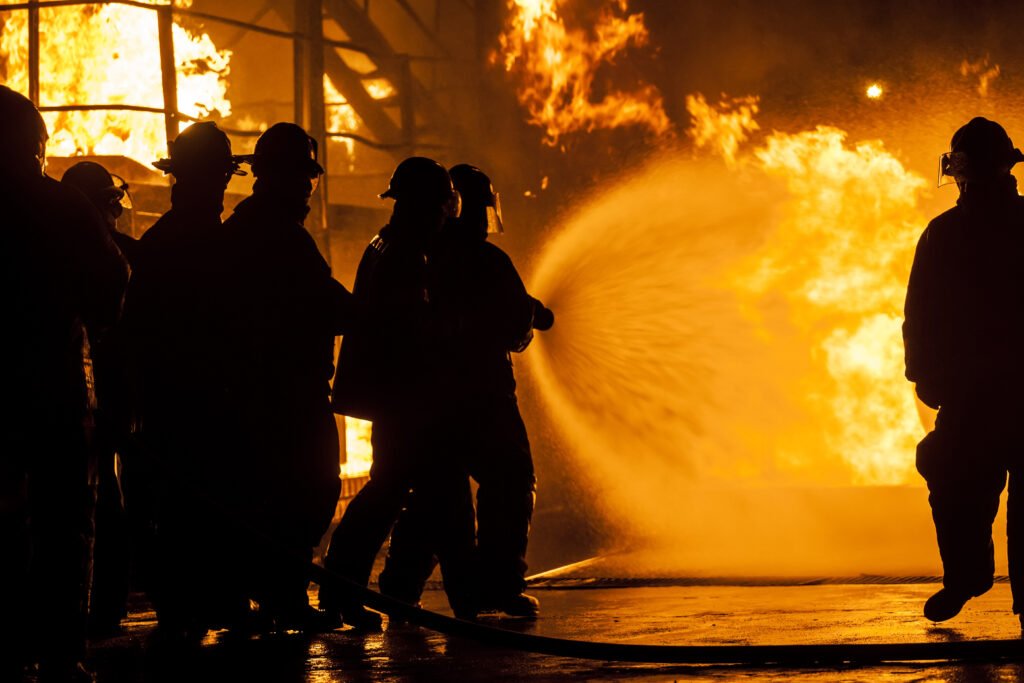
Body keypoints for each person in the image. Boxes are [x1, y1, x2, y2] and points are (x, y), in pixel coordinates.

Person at [378, 164, 553, 617]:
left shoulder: (421, 252)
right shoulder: (489, 260)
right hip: (484, 398)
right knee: (511, 480)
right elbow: (515, 331)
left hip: (428, 401)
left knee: (437, 494)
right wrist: (530, 315)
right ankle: (499, 584)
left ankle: (400, 585)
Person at [0, 86, 128, 682]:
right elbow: (111, 281)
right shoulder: (62, 206)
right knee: (65, 522)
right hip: (56, 386)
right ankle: (59, 653)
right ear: (36, 141)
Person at [318, 157, 476, 628]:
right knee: (424, 493)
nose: (446, 217)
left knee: (396, 491)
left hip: (398, 397)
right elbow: (414, 330)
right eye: (442, 207)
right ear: (428, 206)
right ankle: (462, 602)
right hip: (409, 399)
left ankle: (360, 591)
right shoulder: (405, 255)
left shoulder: (385, 245)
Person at [222, 122, 355, 630]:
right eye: (298, 173)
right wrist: (371, 316)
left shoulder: (255, 225)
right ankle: (283, 594)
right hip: (285, 391)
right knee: (311, 487)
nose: (306, 184)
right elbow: (323, 302)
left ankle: (265, 591)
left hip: (263, 388)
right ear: (270, 174)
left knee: (274, 492)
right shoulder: (276, 233)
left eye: (309, 174)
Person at [121, 121, 247, 641]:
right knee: (186, 507)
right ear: (188, 181)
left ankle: (204, 602)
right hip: (185, 402)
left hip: (197, 401)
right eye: (214, 177)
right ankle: (185, 608)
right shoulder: (182, 245)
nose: (220, 187)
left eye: (222, 177)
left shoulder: (176, 242)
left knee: (205, 505)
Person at [904, 117, 1024, 624]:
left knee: (955, 481)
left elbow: (920, 312)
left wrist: (925, 375)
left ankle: (969, 578)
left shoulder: (945, 233)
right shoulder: (944, 233)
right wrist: (926, 374)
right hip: (973, 392)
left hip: (981, 393)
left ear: (965, 172)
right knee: (953, 477)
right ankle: (967, 578)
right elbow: (922, 312)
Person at [61, 161, 137, 637]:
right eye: (110, 205)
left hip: (73, 397)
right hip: (100, 399)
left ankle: (94, 606)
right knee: (103, 503)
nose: (115, 214)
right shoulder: (117, 256)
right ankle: (103, 607)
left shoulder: (39, 247)